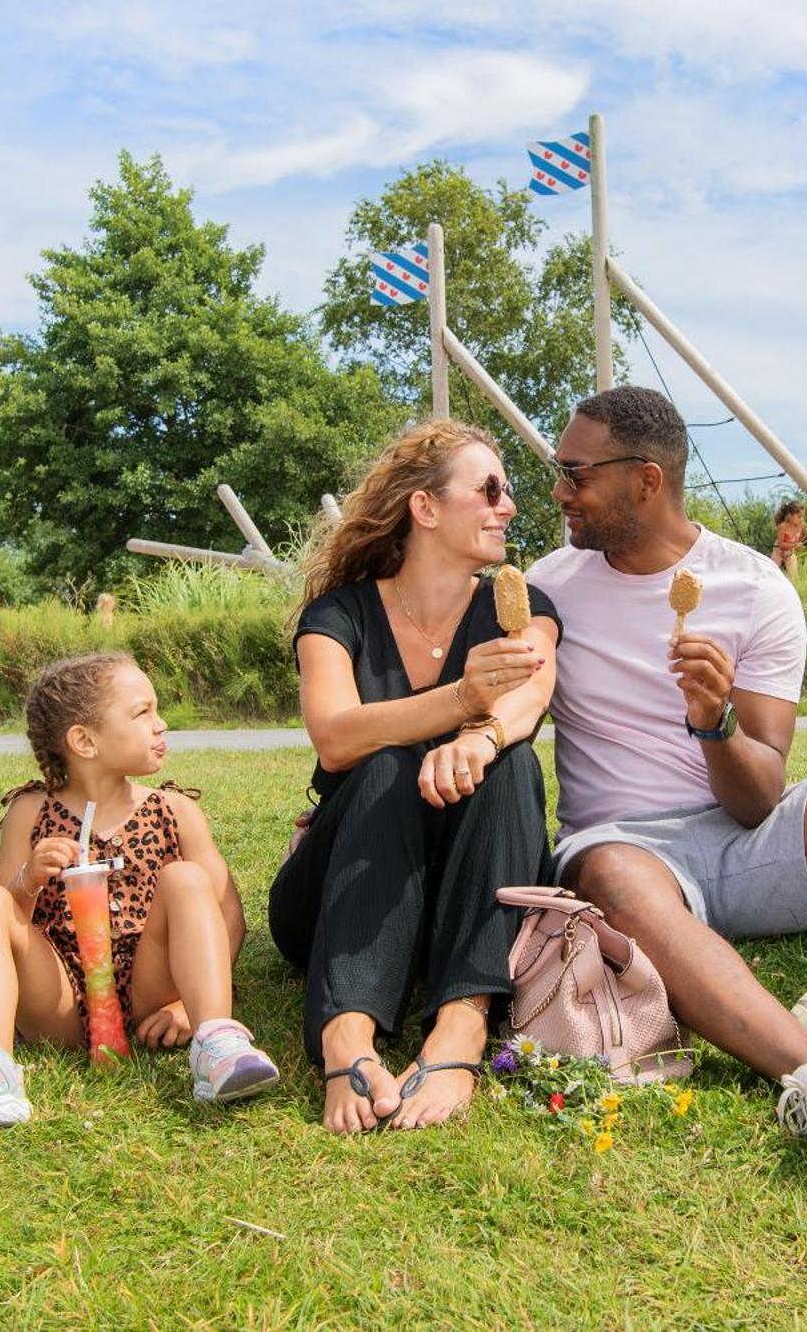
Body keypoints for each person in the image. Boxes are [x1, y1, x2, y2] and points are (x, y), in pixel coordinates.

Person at [526, 386, 807, 1179]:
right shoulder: (549, 585)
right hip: (626, 845)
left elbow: (758, 797)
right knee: (607, 871)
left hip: (745, 837)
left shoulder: (755, 589)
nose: (560, 491)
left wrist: (715, 723)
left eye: (576, 472)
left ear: (646, 480)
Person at [269, 419, 561, 1135]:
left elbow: (531, 693)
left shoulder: (516, 605)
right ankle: (347, 1035)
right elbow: (335, 736)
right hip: (343, 886)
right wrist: (459, 700)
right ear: (425, 509)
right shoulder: (339, 614)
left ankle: (463, 1024)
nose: (508, 505)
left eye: (509, 490)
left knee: (513, 762)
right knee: (386, 764)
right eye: (489, 489)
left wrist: (483, 734)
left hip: (464, 887)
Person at [0, 652, 275, 1128]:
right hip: (58, 997)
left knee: (186, 879)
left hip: (152, 991)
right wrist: (27, 881)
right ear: (84, 740)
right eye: (143, 713)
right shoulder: (31, 813)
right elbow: (2, 925)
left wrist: (185, 1003)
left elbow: (226, 917)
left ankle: (217, 1042)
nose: (161, 725)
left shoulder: (175, 810)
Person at [770, 498, 807, 577]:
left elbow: (804, 534)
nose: (801, 519)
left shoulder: (802, 526)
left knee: (794, 576)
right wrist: (795, 545)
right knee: (772, 572)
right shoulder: (783, 526)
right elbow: (781, 544)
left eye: (803, 516)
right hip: (778, 551)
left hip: (790, 553)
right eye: (799, 517)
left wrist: (799, 543)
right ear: (790, 515)